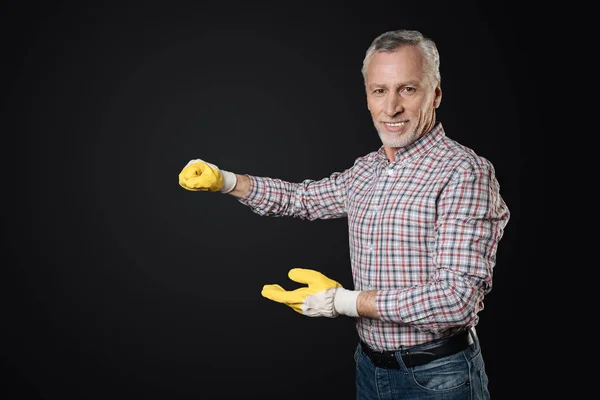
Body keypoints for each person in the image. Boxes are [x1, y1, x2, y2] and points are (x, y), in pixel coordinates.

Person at [178, 29, 510, 400]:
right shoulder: (366, 170)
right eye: (379, 90)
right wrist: (226, 181)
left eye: (408, 89)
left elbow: (456, 298)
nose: (391, 108)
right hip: (370, 369)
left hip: (438, 378)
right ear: (367, 96)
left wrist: (343, 302)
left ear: (435, 94)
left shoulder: (464, 172)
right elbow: (301, 199)